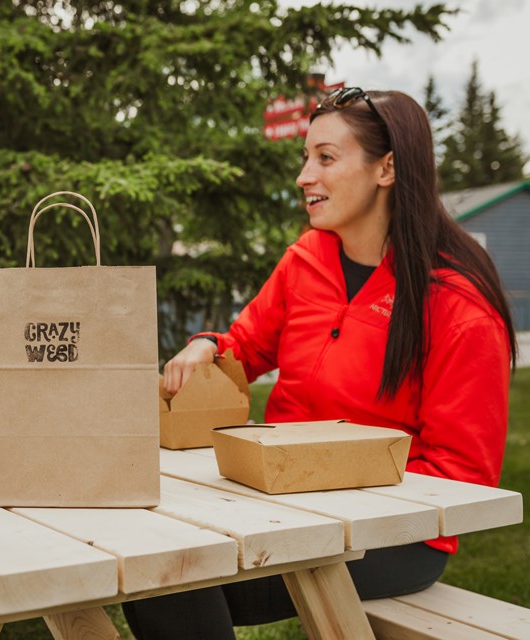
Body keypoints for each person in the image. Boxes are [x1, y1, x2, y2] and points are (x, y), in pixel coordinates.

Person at [124, 87, 515, 639]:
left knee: (177, 574)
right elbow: (248, 344)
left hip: (397, 536)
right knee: (154, 560)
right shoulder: (305, 258)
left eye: (326, 158)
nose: (305, 176)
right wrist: (208, 346)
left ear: (387, 169)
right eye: (306, 158)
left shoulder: (457, 306)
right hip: (281, 501)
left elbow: (464, 476)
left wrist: (327, 479)